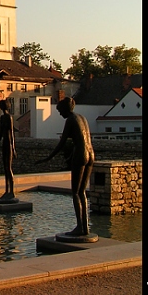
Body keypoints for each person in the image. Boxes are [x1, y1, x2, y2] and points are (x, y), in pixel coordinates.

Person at [35, 96, 94, 236]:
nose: (60, 114)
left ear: (65, 109)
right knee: (82, 191)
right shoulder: (82, 118)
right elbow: (83, 139)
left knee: (75, 192)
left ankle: (79, 227)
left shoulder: (70, 120)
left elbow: (62, 143)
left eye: (60, 111)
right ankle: (85, 227)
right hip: (91, 153)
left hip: (81, 155)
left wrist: (48, 158)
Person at [0, 99, 17, 199]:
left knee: (9, 168)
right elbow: (1, 133)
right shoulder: (2, 118)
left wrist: (13, 148)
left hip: (9, 144)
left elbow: (12, 133)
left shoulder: (9, 117)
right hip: (4, 143)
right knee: (5, 168)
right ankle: (6, 191)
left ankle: (12, 192)